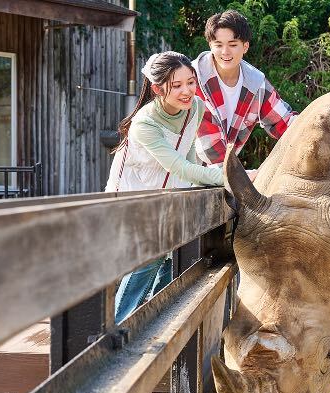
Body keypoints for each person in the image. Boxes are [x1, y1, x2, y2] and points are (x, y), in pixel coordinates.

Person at [105, 50, 223, 323]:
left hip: (169, 197)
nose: (187, 91)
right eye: (177, 85)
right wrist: (228, 176)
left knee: (170, 263)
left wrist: (200, 187)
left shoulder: (195, 108)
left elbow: (190, 155)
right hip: (134, 199)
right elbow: (179, 166)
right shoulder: (144, 123)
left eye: (190, 82)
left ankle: (154, 325)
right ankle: (116, 329)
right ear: (157, 89)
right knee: (151, 259)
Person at [193, 9, 298, 180]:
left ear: (245, 46)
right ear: (210, 45)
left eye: (233, 45)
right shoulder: (193, 80)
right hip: (179, 175)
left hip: (222, 176)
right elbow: (209, 146)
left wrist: (315, 125)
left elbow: (284, 121)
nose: (225, 52)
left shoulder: (256, 84)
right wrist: (240, 176)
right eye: (218, 45)